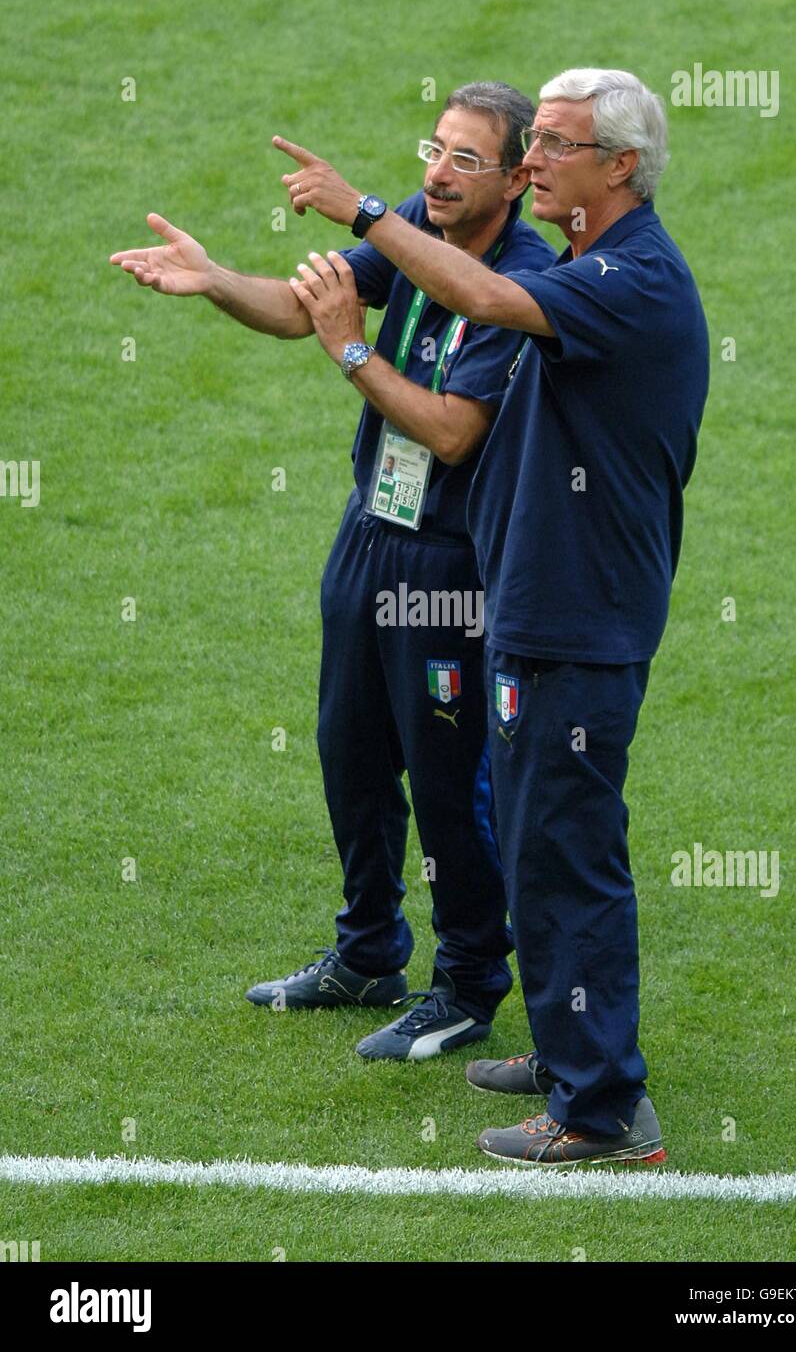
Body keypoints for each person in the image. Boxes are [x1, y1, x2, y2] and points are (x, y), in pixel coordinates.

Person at [276, 66, 709, 1162]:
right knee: (532, 843)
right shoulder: (587, 263)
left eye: (550, 147)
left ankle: (602, 1111)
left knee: (567, 856)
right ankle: (568, 1055)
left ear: (618, 165)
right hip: (534, 609)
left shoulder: (631, 279)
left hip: (580, 620)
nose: (528, 167)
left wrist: (371, 212)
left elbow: (478, 298)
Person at [110, 83, 555, 1063]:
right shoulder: (408, 226)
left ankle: (468, 982)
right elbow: (300, 306)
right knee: (347, 751)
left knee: (446, 784)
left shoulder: (522, 282)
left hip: (449, 565)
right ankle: (367, 953)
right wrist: (215, 277)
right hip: (369, 534)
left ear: (519, 179)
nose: (435, 172)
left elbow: (446, 432)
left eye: (464, 159)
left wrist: (348, 346)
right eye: (433, 149)